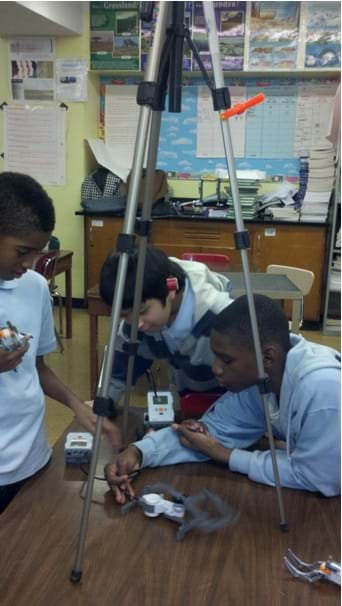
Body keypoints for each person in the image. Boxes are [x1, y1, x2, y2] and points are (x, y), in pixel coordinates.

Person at [104, 295, 341, 501]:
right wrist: (140, 452)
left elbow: (317, 477)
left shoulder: (322, 387)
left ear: (267, 356)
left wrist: (227, 455)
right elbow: (210, 435)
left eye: (226, 361)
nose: (216, 369)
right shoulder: (262, 380)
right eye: (215, 357)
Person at [0, 172, 120, 513]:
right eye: (22, 251)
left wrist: (75, 404)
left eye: (37, 253)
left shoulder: (34, 287)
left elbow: (36, 367)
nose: (30, 264)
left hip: (31, 457)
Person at [99, 245, 234, 407]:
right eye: (124, 315)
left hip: (232, 404)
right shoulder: (142, 313)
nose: (137, 324)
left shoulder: (220, 318)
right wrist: (105, 403)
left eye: (143, 311)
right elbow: (121, 363)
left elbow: (251, 384)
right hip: (186, 398)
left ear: (170, 289)